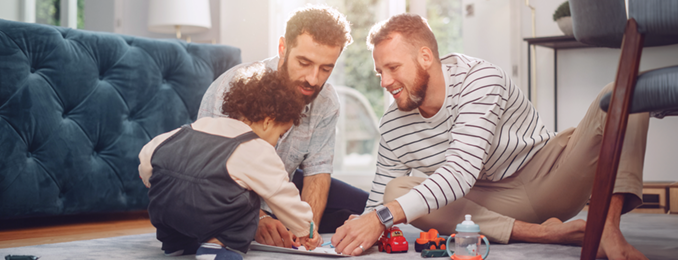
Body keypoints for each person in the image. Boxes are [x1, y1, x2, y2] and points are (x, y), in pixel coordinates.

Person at [331, 14, 650, 260]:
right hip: (489, 204)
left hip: (550, 174)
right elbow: (378, 202)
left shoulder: (480, 79)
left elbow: (459, 173)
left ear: (425, 57)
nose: (385, 81)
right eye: (379, 72)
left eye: (393, 67)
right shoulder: (393, 125)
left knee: (627, 92)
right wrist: (359, 226)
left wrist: (382, 216)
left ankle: (607, 230)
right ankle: (544, 234)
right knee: (395, 190)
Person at [197, 4, 368, 249]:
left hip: (284, 180)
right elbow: (208, 174)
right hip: (225, 186)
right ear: (282, 48)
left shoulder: (327, 101)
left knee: (365, 209)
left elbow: (317, 172)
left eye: (326, 68)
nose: (313, 78)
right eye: (304, 62)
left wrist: (308, 231)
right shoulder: (234, 88)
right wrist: (257, 218)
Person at [138, 65, 321, 260]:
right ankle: (215, 247)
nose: (277, 142)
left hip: (163, 211)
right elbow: (282, 195)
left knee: (178, 185)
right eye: (280, 134)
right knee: (249, 202)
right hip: (206, 215)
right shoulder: (256, 148)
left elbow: (148, 153)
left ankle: (177, 244)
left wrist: (149, 179)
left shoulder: (196, 127)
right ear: (268, 121)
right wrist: (305, 228)